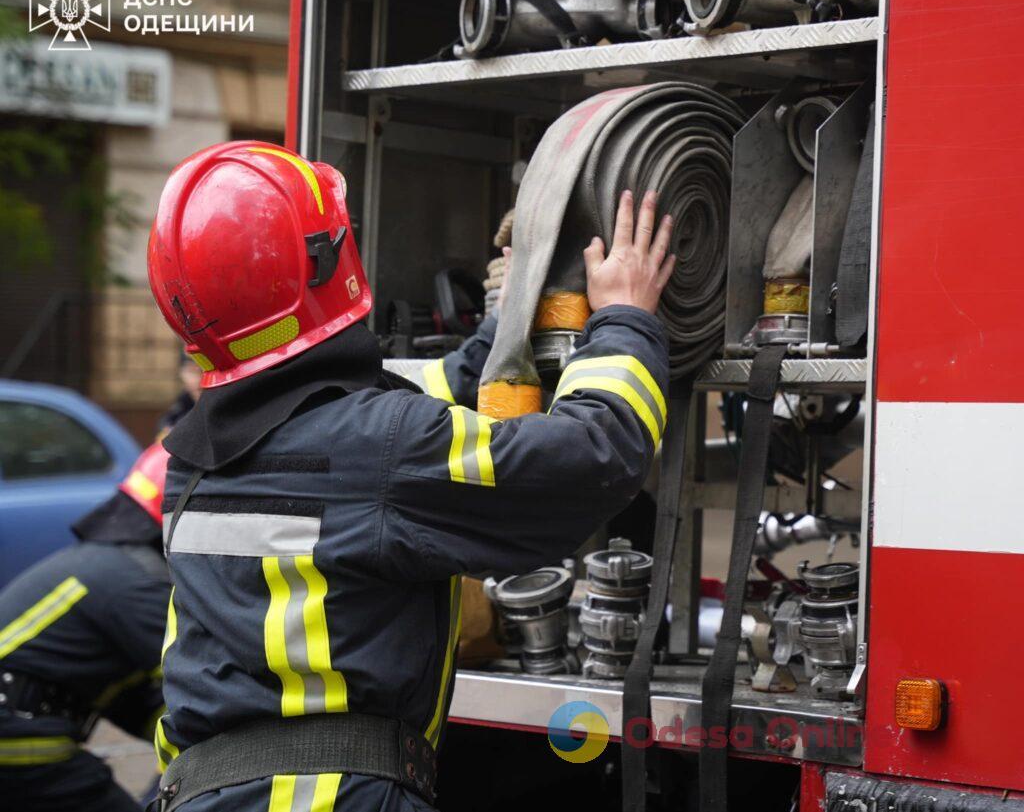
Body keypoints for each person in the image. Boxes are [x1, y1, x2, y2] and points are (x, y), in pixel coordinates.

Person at [147, 141, 676, 812]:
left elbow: (405, 408)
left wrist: (504, 322)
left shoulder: (193, 462)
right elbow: (595, 457)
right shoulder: (378, 444)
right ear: (325, 260)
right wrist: (626, 319)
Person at [0, 443, 172, 812]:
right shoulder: (138, 582)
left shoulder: (107, 564)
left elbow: (138, 701)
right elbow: (196, 684)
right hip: (18, 732)